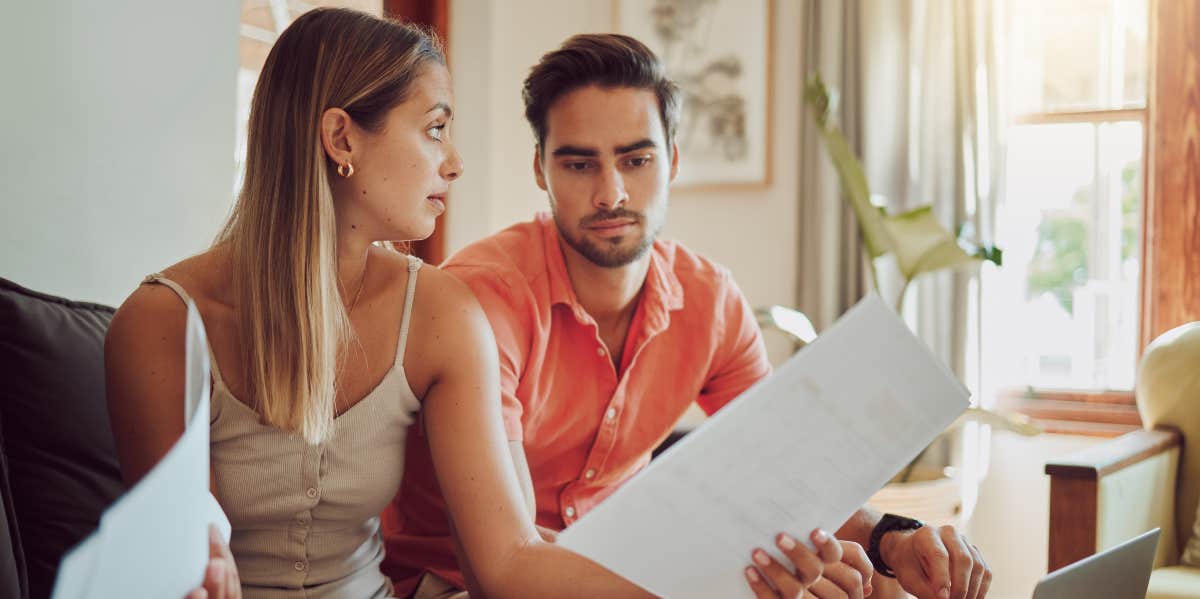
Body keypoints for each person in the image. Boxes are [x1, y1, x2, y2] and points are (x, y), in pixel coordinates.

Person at [104, 9, 838, 599]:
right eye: (435, 129)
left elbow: (508, 562)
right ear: (340, 139)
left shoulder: (440, 313)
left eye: (636, 159)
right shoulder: (163, 323)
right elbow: (172, 553)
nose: (454, 161)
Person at [383, 33, 993, 599]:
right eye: (578, 163)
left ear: (672, 160)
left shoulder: (709, 301)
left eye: (635, 160)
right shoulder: (485, 299)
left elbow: (786, 469)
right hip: (451, 583)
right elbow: (510, 565)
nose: (612, 193)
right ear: (540, 169)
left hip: (618, 573)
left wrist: (894, 540)